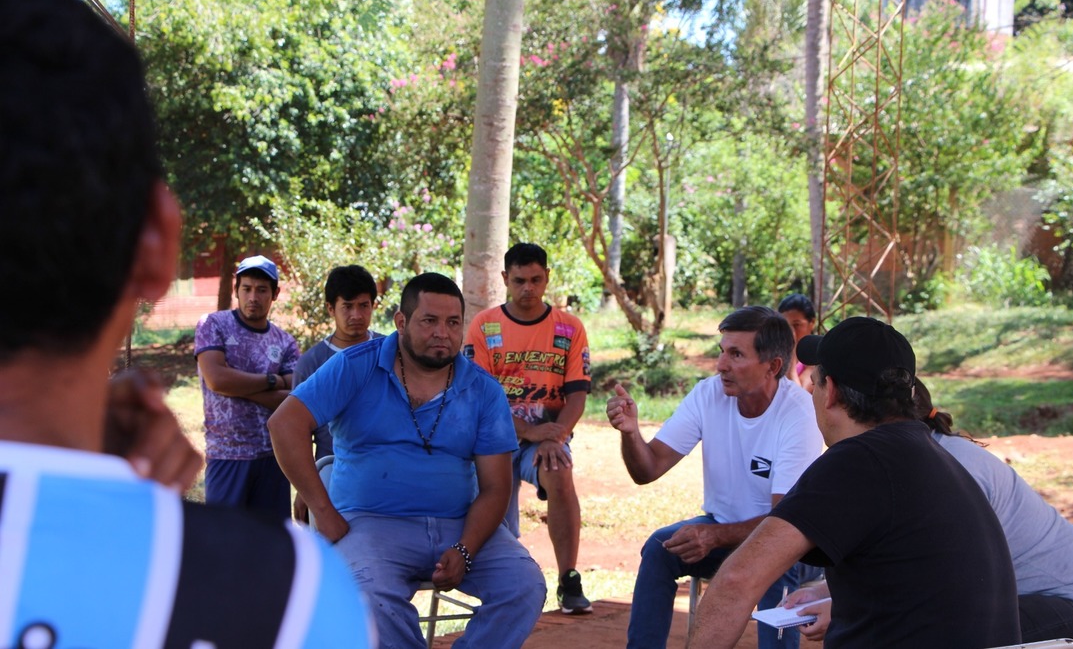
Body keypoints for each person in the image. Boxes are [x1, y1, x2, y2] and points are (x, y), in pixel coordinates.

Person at [0, 0, 373, 646]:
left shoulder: (283, 340)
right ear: (158, 249)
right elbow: (241, 384)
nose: (253, 296)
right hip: (225, 462)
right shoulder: (293, 597)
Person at [688, 317, 1021, 649]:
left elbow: (737, 580)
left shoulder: (859, 461)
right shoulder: (934, 456)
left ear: (830, 391)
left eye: (814, 384)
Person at [269, 273, 546, 649]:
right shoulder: (355, 365)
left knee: (524, 585)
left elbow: (496, 487)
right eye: (429, 320)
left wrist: (465, 549)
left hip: (459, 523)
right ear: (401, 321)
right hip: (371, 523)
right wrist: (325, 513)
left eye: (453, 323)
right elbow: (285, 424)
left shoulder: (483, 389)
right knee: (367, 598)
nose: (442, 333)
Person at [782, 378, 1073, 645]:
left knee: (938, 628)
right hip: (1025, 599)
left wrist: (842, 608)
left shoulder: (950, 468)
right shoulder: (924, 460)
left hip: (1072, 601)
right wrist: (825, 592)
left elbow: (946, 584)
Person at [605, 306, 824, 649]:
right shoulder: (708, 394)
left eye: (736, 354)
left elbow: (785, 522)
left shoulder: (799, 413)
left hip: (790, 544)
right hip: (724, 533)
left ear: (773, 366)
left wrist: (714, 535)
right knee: (660, 549)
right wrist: (631, 433)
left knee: (774, 556)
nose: (721, 365)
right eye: (722, 351)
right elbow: (648, 469)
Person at [464, 242, 594, 614]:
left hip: (546, 439)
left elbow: (577, 395)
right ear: (505, 278)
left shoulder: (569, 328)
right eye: (519, 280)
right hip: (493, 439)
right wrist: (529, 431)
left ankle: (568, 578)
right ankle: (504, 583)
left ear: (547, 277)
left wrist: (557, 436)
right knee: (496, 508)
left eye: (536, 280)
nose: (528, 289)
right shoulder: (484, 325)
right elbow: (480, 399)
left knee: (560, 468)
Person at [195, 254, 300, 518]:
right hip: (227, 454)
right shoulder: (213, 325)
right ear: (236, 290)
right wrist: (272, 380)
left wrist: (236, 386)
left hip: (274, 457)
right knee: (226, 537)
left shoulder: (285, 342)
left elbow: (292, 399)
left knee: (271, 538)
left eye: (262, 290)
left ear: (275, 294)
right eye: (247, 288)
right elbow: (217, 380)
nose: (253, 297)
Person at [292, 265, 384, 521]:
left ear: (374, 306)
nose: (356, 315)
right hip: (330, 471)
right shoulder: (312, 362)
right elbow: (298, 432)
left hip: (385, 471)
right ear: (331, 308)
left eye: (364, 306)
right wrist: (304, 489)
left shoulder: (392, 351)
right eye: (347, 306)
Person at [777, 294, 816, 392]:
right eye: (786, 325)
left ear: (812, 323)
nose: (791, 331)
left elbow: (799, 395)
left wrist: (791, 353)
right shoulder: (775, 355)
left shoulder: (815, 358)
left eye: (796, 324)